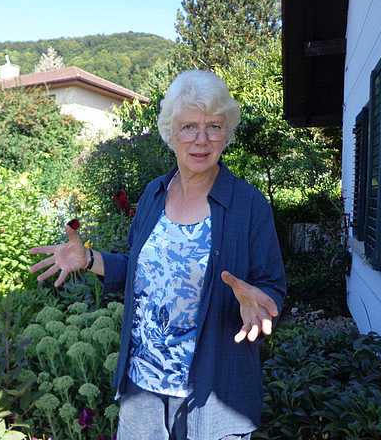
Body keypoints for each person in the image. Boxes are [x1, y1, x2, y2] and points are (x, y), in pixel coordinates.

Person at [29, 70, 286, 440]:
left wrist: (259, 308)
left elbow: (271, 288)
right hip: (143, 387)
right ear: (170, 133)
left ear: (226, 134)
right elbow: (138, 266)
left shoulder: (248, 205)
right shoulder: (154, 193)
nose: (201, 140)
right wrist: (87, 258)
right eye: (188, 127)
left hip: (213, 394)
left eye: (213, 127)